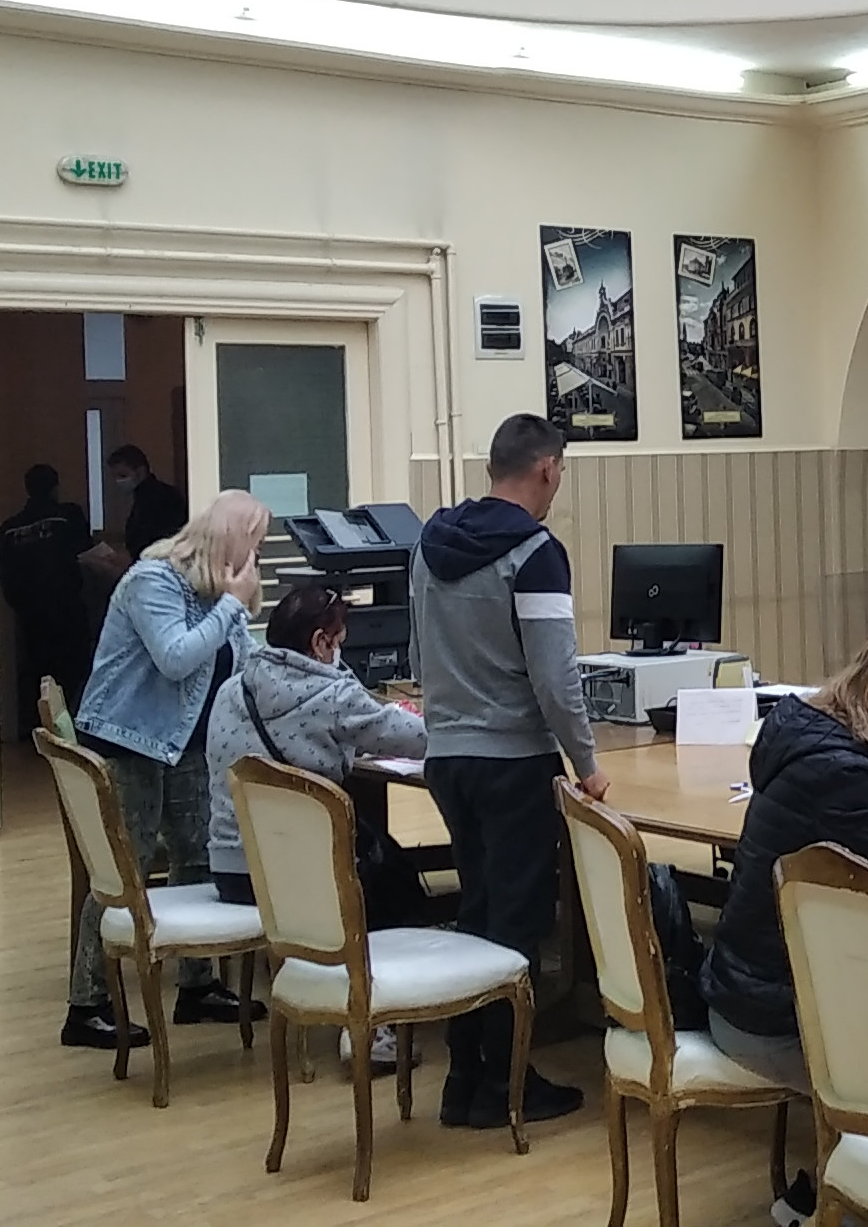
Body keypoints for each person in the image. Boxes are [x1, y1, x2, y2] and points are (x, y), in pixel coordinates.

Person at [410, 413, 611, 1128]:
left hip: (448, 757)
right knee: (518, 926)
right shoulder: (536, 552)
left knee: (478, 911)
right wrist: (587, 765)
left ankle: (465, 1076)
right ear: (548, 468)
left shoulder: (428, 543)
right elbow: (555, 679)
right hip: (514, 761)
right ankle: (506, 1080)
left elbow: (417, 656)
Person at [701, 631, 868, 1089]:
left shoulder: (809, 740)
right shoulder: (845, 775)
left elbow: (844, 823)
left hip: (744, 993)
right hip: (774, 1024)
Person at [62, 489, 268, 1050]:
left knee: (197, 853)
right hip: (129, 739)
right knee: (121, 870)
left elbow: (245, 661)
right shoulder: (153, 580)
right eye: (255, 543)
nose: (257, 557)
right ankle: (87, 1004)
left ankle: (196, 987)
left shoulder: (215, 593)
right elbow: (175, 657)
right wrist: (233, 603)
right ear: (230, 541)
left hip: (186, 744)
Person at [206, 584, 428, 1076]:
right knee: (393, 881)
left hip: (232, 867)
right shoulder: (333, 695)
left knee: (370, 852)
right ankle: (371, 1026)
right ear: (321, 642)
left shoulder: (232, 688)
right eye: (339, 640)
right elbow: (416, 738)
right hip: (300, 879)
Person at [0, 463, 103, 733]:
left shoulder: (9, 529)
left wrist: (22, 606)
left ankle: (38, 734)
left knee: (37, 675)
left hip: (30, 617)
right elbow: (87, 554)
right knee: (74, 673)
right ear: (56, 487)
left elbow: (6, 576)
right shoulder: (67, 516)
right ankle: (75, 732)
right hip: (67, 610)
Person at [108, 444, 189, 560]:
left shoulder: (159, 498)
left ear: (141, 471)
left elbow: (148, 538)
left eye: (123, 475)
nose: (118, 481)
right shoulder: (146, 496)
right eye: (115, 476)